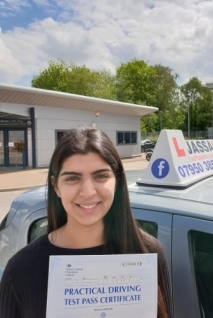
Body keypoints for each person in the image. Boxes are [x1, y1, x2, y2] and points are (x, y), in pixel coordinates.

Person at [0, 128, 173, 318]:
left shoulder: (148, 252)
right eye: (72, 178)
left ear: (118, 182)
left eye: (100, 176)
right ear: (56, 186)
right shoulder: (21, 269)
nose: (88, 192)